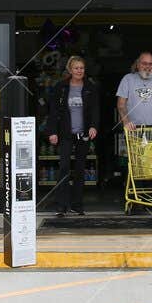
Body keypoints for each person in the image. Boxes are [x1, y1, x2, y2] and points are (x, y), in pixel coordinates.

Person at [43, 55, 99, 217]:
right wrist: (52, 132)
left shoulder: (90, 87)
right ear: (70, 70)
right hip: (65, 133)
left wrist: (94, 126)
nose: (79, 71)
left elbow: (95, 109)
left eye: (81, 68)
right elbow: (53, 111)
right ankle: (61, 205)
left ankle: (77, 204)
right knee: (64, 167)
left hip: (83, 133)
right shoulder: (61, 87)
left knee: (80, 168)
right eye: (76, 68)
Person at [116, 51, 152, 130]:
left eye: (151, 64)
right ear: (137, 65)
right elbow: (121, 104)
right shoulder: (127, 79)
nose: (147, 66)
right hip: (133, 129)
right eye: (144, 63)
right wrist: (126, 122)